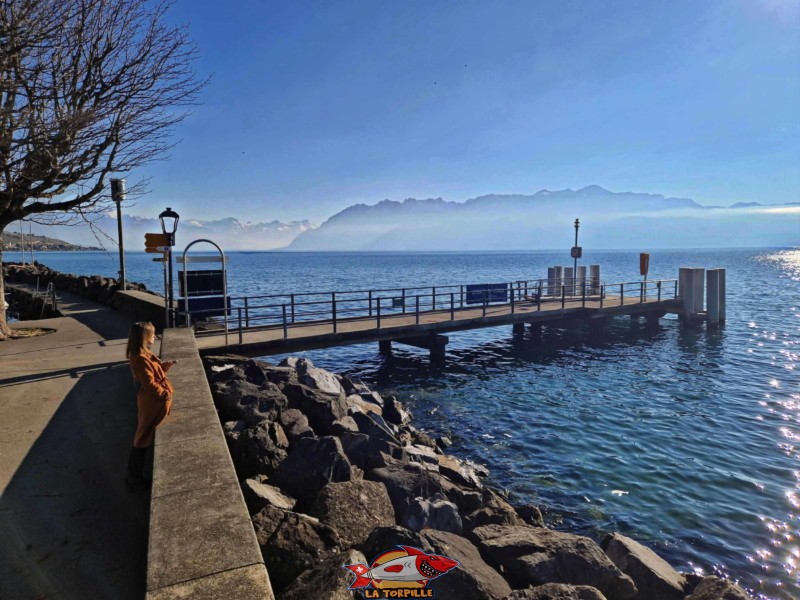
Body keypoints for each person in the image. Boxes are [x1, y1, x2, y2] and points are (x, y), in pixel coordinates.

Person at [125, 322, 176, 491]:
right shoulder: (140, 358)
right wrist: (165, 394)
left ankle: (134, 476)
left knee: (143, 437)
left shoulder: (143, 354)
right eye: (152, 334)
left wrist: (163, 368)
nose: (155, 337)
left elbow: (152, 374)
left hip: (153, 402)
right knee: (141, 438)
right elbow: (149, 384)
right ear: (144, 337)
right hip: (152, 403)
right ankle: (134, 478)